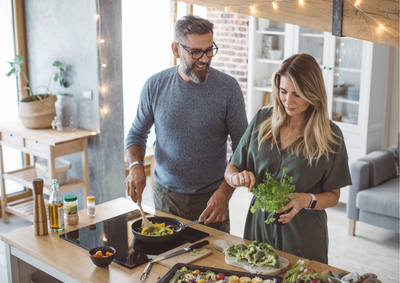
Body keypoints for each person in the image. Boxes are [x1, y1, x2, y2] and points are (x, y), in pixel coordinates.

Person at [124, 14, 248, 233]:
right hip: (166, 197)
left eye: (209, 50)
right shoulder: (155, 86)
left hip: (213, 198)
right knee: (168, 260)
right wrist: (135, 166)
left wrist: (226, 193)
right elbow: (136, 133)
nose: (205, 59)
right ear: (176, 50)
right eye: (195, 52)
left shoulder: (228, 89)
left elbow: (243, 147)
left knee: (212, 265)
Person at [224, 53, 352, 263]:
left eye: (297, 94)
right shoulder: (261, 120)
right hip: (259, 229)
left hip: (303, 236)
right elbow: (231, 169)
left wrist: (305, 200)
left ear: (313, 94)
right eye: (283, 92)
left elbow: (333, 195)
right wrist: (236, 178)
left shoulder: (331, 136)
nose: (288, 101)